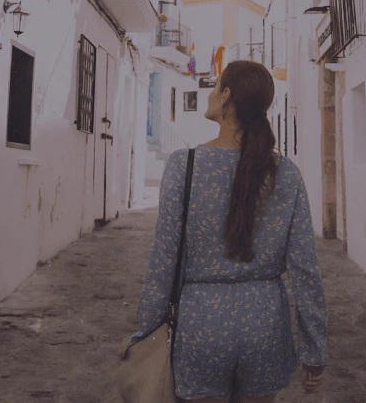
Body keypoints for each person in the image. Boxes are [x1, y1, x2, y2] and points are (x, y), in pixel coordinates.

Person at [134, 61, 328, 402]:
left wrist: (146, 332)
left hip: (200, 325)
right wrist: (314, 349)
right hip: (265, 326)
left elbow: (164, 259)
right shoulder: (285, 172)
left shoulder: (184, 165)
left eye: (215, 87)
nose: (210, 94)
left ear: (226, 96)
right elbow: (305, 268)